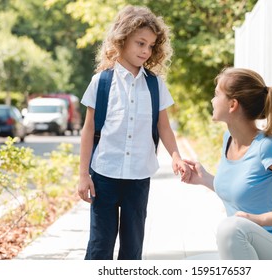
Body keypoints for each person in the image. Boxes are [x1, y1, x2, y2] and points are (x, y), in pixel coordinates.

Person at [78, 5, 190, 260]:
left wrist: (175, 156)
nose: (145, 51)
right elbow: (88, 131)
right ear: (122, 39)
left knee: (133, 245)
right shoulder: (102, 81)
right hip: (104, 174)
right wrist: (83, 175)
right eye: (140, 43)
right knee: (99, 244)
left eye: (151, 46)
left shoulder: (155, 85)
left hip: (139, 177)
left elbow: (164, 126)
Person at [184, 67, 272, 260]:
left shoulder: (267, 147)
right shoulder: (228, 140)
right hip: (246, 249)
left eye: (217, 94)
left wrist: (260, 220)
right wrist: (204, 179)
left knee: (230, 228)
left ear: (233, 104)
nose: (212, 100)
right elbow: (241, 192)